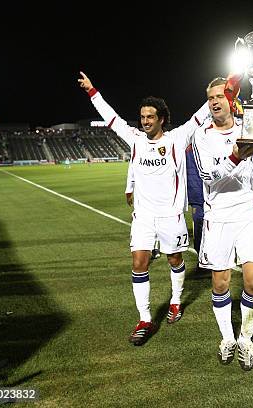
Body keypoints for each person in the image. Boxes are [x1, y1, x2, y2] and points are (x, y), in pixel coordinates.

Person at [78, 72, 209, 346]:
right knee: (139, 264)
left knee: (175, 260)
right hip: (144, 217)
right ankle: (145, 318)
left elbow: (201, 114)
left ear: (161, 118)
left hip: (170, 215)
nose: (145, 121)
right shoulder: (135, 138)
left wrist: (225, 89)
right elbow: (112, 117)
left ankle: (175, 301)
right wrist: (93, 91)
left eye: (150, 116)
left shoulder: (176, 139)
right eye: (143, 117)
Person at [191, 77, 253, 371]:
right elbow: (208, 176)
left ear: (231, 99)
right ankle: (227, 338)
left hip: (248, 214)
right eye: (210, 98)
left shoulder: (249, 125)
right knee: (220, 284)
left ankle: (245, 338)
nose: (215, 102)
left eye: (220, 96)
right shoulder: (201, 135)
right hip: (217, 217)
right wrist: (236, 154)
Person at [125, 163, 161, 261]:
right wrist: (129, 191)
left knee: (157, 218)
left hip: (159, 192)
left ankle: (155, 247)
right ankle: (149, 247)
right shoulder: (138, 152)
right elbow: (131, 171)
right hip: (143, 194)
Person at [185, 145, 204, 256]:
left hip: (214, 195)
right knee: (198, 224)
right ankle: (200, 255)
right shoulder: (187, 149)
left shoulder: (212, 144)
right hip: (196, 195)